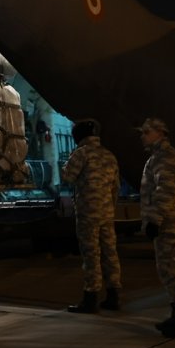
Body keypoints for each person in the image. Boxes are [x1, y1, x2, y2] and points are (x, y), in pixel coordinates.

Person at [138, 117, 175, 337]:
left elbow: (165, 191)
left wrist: (155, 220)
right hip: (167, 222)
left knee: (172, 268)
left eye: (146, 132)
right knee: (167, 268)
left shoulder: (165, 157)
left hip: (168, 223)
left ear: (160, 133)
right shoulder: (158, 157)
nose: (142, 136)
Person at [61, 118, 122, 313]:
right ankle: (113, 295)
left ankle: (90, 298)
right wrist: (110, 207)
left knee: (91, 255)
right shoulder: (109, 155)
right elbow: (116, 188)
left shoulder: (81, 154)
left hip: (88, 213)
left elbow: (68, 177)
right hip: (107, 212)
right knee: (110, 253)